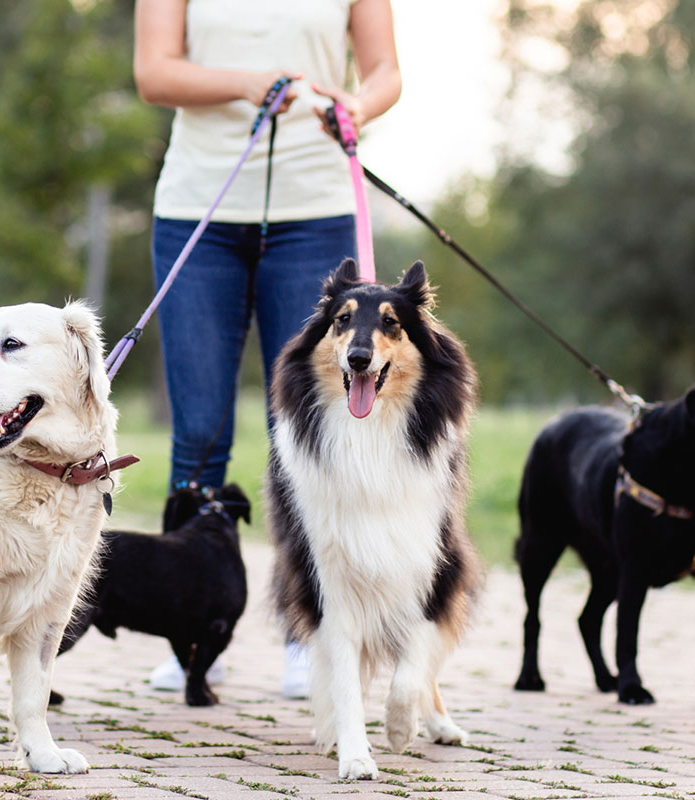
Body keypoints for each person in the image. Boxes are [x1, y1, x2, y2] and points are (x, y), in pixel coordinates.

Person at [135, 0, 402, 698]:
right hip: (199, 207)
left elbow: (384, 73)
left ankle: (307, 634)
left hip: (315, 214)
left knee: (308, 429)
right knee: (198, 429)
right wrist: (245, 83)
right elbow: (154, 73)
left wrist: (357, 104)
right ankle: (192, 637)